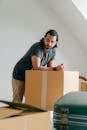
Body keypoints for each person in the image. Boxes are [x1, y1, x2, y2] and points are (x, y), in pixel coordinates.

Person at [12, 29, 64, 103]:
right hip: (20, 74)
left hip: (32, 76)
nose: (49, 43)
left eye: (52, 41)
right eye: (47, 40)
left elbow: (50, 69)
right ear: (44, 38)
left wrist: (58, 70)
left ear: (55, 42)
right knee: (17, 101)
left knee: (33, 100)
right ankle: (14, 114)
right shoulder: (37, 47)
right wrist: (55, 68)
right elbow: (36, 67)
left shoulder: (53, 51)